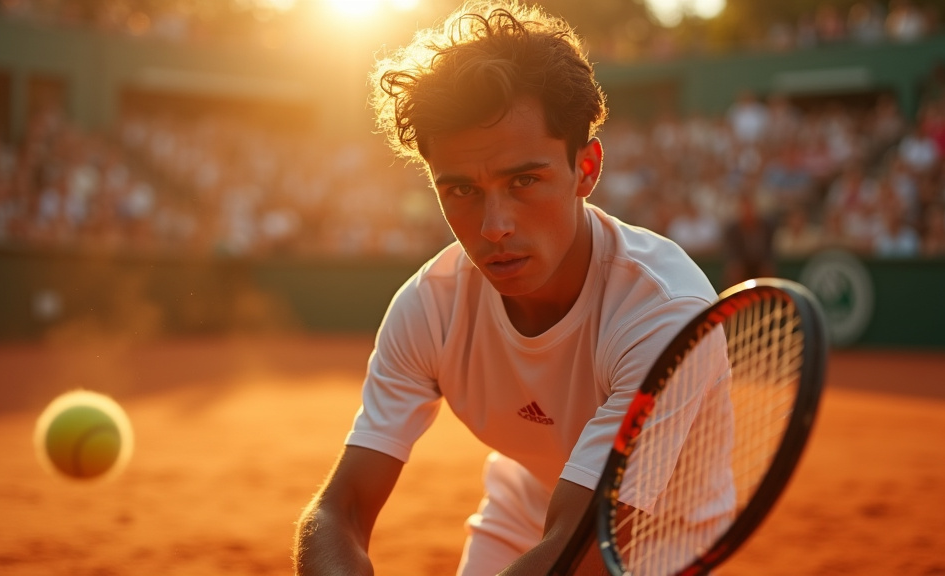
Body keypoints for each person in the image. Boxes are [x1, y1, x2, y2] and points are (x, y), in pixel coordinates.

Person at [293, 2, 725, 575]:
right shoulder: (429, 307)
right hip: (523, 512)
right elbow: (339, 510)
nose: (494, 227)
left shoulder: (665, 312)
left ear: (586, 169)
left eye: (524, 180)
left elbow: (581, 543)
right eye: (461, 191)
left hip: (662, 535)